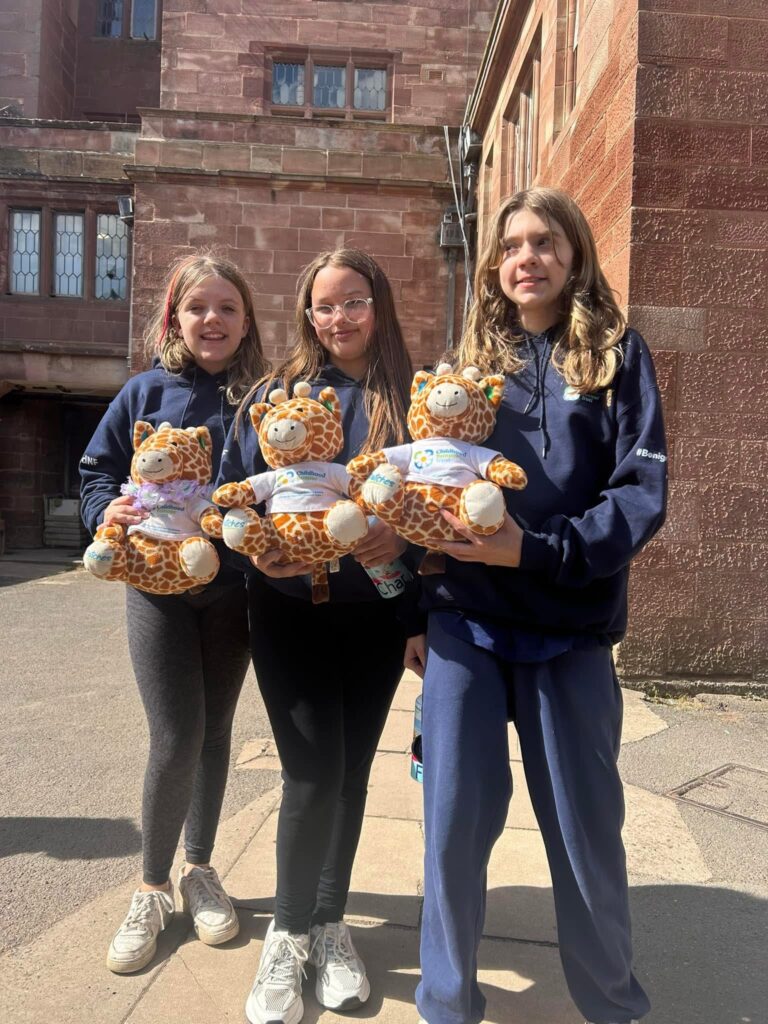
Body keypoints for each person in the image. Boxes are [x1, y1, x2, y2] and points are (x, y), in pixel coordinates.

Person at [406, 187, 667, 1024]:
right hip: (465, 621)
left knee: (586, 835)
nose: (529, 257)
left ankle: (612, 1006)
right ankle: (447, 1003)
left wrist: (538, 550)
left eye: (546, 241)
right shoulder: (465, 367)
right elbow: (423, 489)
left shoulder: (618, 357)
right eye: (513, 244)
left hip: (570, 625)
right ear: (494, 264)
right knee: (452, 827)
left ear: (575, 254)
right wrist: (413, 610)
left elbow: (640, 494)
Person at [216, 249, 417, 1024]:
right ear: (306, 313)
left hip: (375, 616)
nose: (339, 318)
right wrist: (254, 547)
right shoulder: (275, 395)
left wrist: (407, 564)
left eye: (353, 300)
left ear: (379, 304)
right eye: (323, 305)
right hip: (288, 612)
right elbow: (234, 495)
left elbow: (439, 504)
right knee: (311, 774)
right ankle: (287, 932)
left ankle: (329, 926)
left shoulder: (408, 396)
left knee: (352, 775)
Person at [80, 253, 269, 974]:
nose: (211, 319)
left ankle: (199, 869)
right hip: (155, 586)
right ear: (174, 319)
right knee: (176, 732)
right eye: (197, 307)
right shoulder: (143, 391)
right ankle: (152, 886)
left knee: (214, 731)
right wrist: (107, 510)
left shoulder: (262, 397)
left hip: (232, 590)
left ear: (246, 321)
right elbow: (98, 472)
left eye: (226, 307)